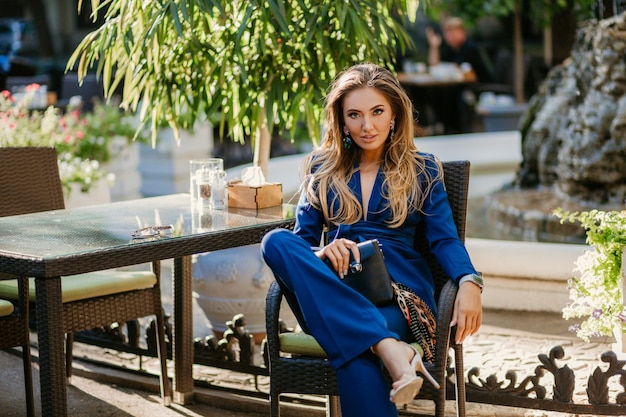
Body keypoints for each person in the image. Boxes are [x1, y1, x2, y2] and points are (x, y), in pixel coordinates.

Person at [261, 63, 483, 416]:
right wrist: (322, 251)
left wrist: (470, 281)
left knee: (356, 354)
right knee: (274, 241)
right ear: (342, 120)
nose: (367, 126)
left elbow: (445, 241)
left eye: (377, 111)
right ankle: (392, 349)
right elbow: (300, 243)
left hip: (398, 298)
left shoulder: (422, 170)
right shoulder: (321, 170)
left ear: (394, 113)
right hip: (332, 289)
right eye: (355, 115)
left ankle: (381, 345)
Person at [425, 17, 494, 134]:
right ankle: (442, 127)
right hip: (459, 87)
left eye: (452, 32)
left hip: (478, 88)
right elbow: (434, 65)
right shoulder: (451, 49)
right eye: (447, 33)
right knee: (436, 92)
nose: (449, 37)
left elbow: (462, 72)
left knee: (446, 94)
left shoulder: (470, 48)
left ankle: (450, 129)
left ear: (462, 32)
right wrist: (434, 46)